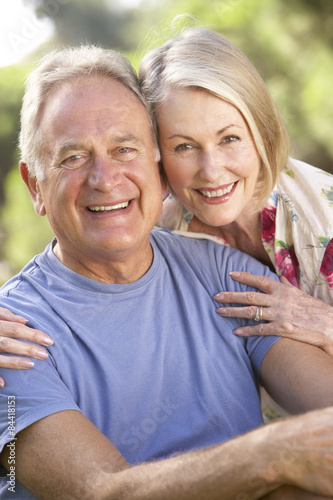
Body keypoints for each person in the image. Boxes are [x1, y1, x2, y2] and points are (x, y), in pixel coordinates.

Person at [0, 44, 332, 500]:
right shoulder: (11, 337)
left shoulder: (226, 272)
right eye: (72, 157)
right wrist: (270, 454)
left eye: (124, 149)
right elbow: (97, 492)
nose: (104, 177)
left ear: (155, 168)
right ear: (35, 186)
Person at [138, 26, 333, 355]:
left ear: (260, 131)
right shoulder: (160, 230)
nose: (212, 171)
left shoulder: (324, 223)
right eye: (184, 146)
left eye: (229, 138)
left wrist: (328, 324)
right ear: (157, 154)